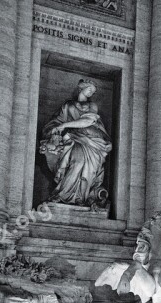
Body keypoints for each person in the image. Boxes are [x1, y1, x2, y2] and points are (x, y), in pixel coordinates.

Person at [40, 79, 113, 209]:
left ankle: (81, 198)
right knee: (77, 162)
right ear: (81, 88)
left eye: (93, 92)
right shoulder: (68, 105)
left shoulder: (92, 106)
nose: (91, 93)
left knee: (88, 168)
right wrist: (54, 129)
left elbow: (87, 121)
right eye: (90, 89)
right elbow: (56, 121)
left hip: (91, 141)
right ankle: (63, 195)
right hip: (72, 139)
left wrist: (64, 125)